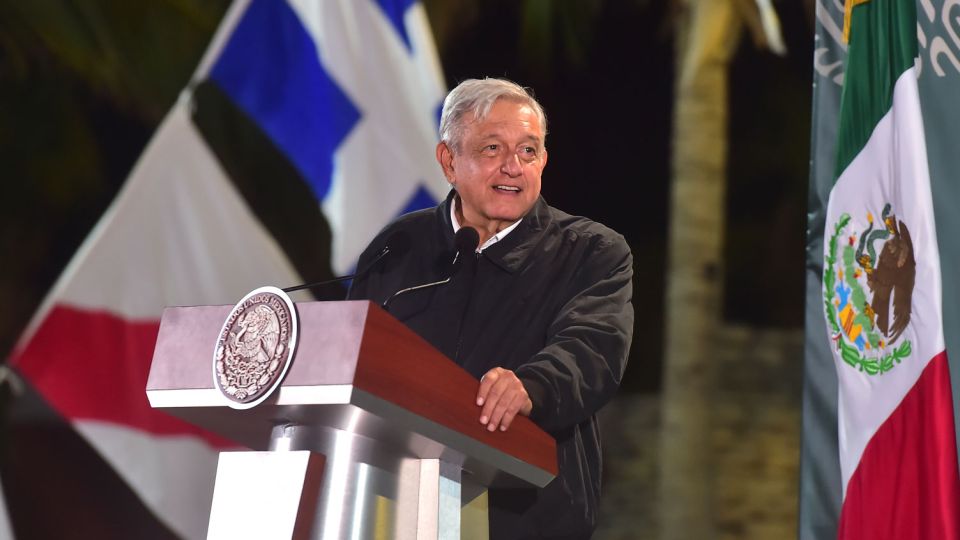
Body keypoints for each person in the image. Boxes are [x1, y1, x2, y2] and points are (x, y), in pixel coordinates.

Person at [348, 78, 634, 539]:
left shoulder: (590, 251)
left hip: (524, 513)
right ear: (448, 161)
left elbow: (595, 349)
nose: (513, 167)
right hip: (394, 505)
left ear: (543, 160)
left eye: (528, 151)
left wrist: (532, 385)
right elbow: (355, 358)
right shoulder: (397, 248)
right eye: (491, 149)